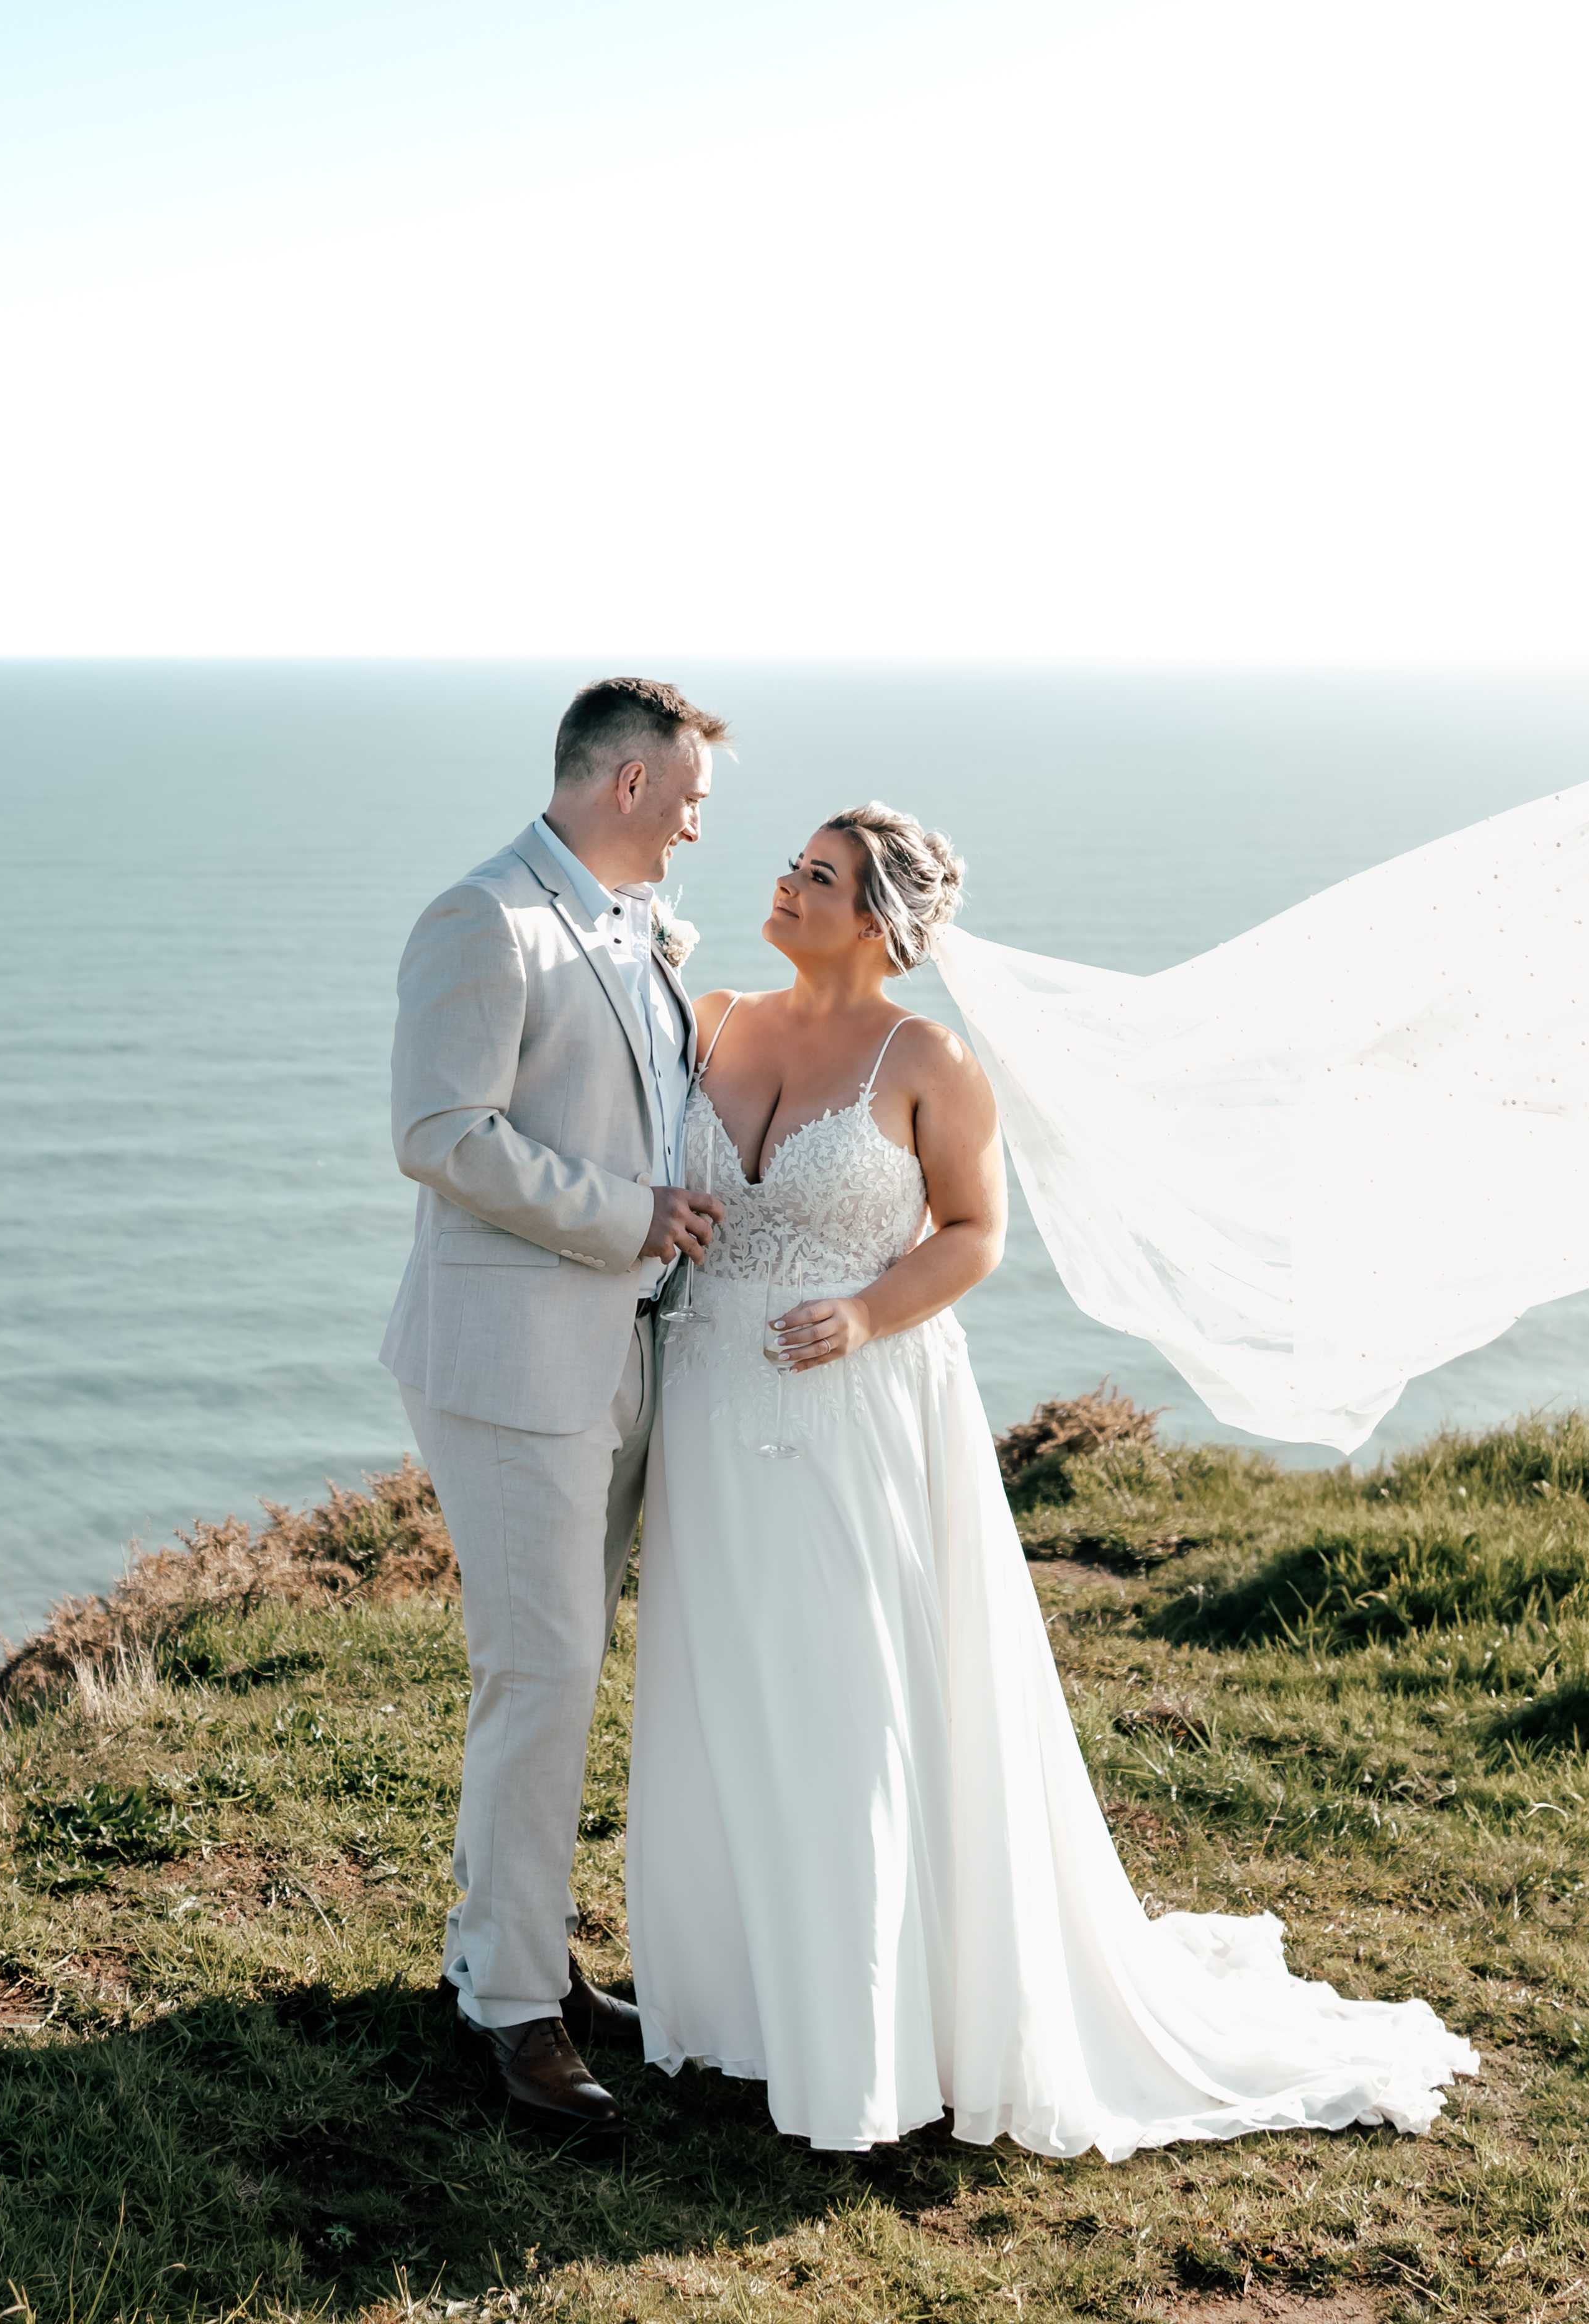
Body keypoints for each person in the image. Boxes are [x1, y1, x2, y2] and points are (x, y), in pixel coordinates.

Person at [623, 802, 1482, 2156]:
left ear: (880, 921)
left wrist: (860, 1313)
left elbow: (974, 1234)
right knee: (722, 1680)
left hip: (855, 1407)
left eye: (820, 876)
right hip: (711, 1398)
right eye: (793, 864)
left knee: (857, 1697)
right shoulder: (714, 1016)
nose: (785, 884)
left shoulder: (930, 1061)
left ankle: (874, 2031)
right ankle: (743, 2000)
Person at [379, 673, 728, 2130]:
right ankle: (513, 2005)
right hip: (515, 1362)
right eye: (692, 802)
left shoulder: (633, 930)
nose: (700, 833)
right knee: (541, 1674)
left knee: (566, 1670)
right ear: (630, 785)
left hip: (625, 1355)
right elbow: (438, 1132)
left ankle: (518, 1949)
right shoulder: (486, 918)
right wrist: (625, 1217)